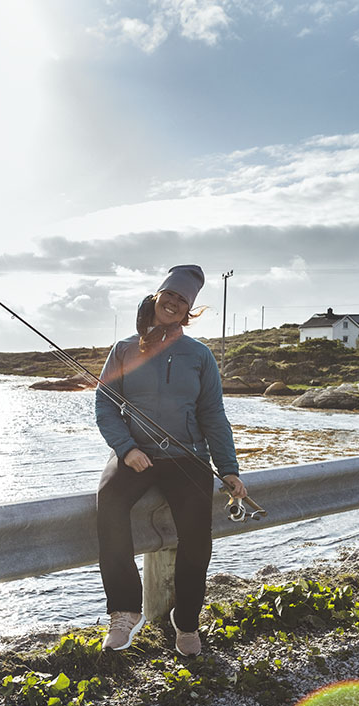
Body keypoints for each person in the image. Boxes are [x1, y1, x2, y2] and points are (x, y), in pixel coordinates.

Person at [94, 264, 247, 657]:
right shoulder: (124, 349)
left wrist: (228, 469)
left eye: (183, 300)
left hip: (187, 456)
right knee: (109, 501)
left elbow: (213, 415)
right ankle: (125, 611)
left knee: (197, 539)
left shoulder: (199, 356)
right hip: (135, 454)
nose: (174, 303)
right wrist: (127, 449)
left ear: (188, 311)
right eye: (170, 295)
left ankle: (187, 620)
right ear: (156, 297)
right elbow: (106, 407)